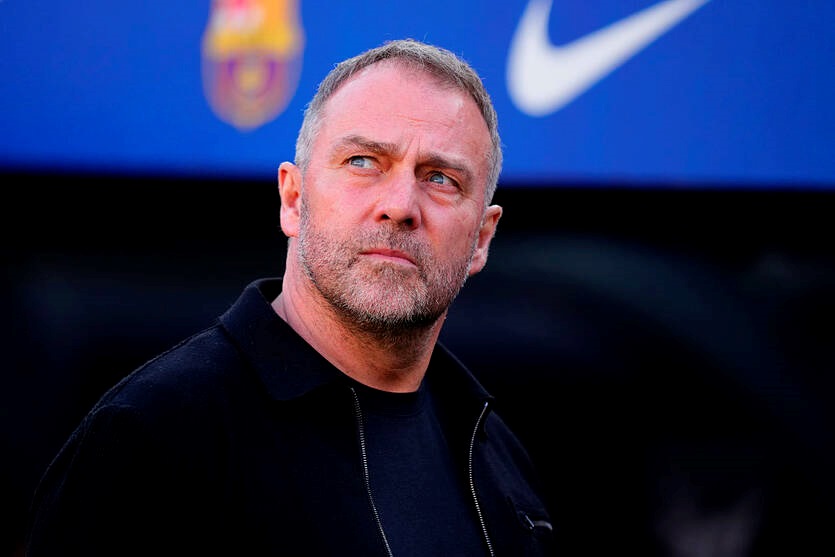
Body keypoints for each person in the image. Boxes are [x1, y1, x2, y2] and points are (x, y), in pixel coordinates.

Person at [23, 38, 555, 556]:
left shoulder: (495, 455)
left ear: (481, 238)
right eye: (363, 161)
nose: (399, 205)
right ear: (293, 199)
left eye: (440, 178)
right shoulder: (155, 434)